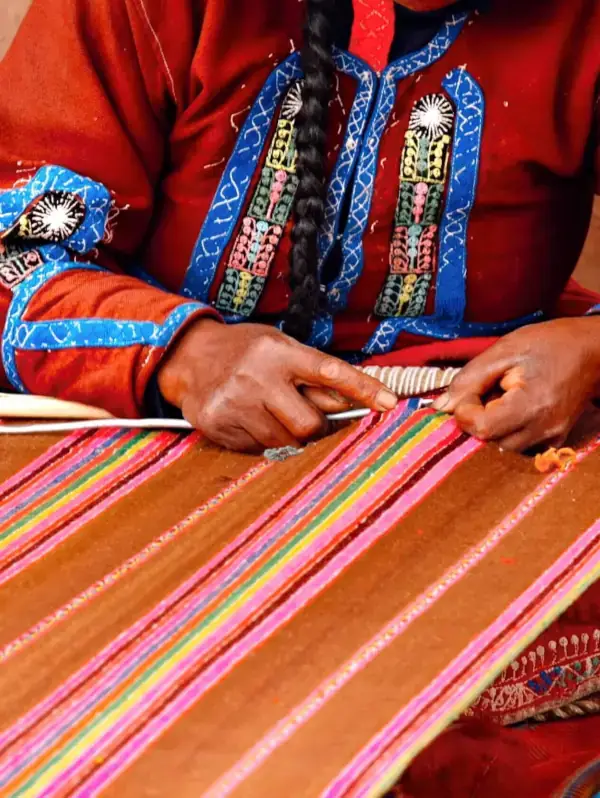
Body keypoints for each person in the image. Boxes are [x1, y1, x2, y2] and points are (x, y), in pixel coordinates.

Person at [2, 0, 600, 793]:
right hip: (145, 436)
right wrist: (181, 349)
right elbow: (15, 255)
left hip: (485, 445)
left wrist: (593, 350)